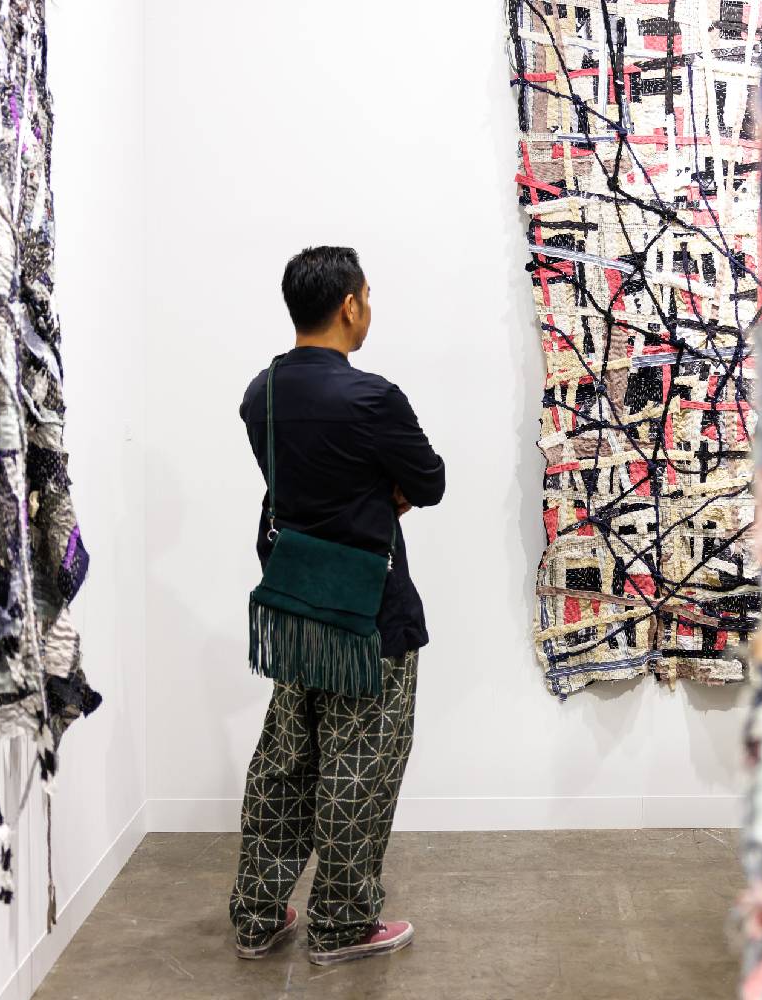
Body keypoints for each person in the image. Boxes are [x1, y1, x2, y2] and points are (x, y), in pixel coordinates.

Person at [229, 246, 445, 966]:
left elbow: (294, 483)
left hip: (296, 607)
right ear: (350, 305)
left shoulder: (260, 393)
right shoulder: (372, 398)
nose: (370, 308)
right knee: (360, 770)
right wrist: (382, 491)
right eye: (368, 296)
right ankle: (342, 925)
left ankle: (258, 916)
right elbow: (430, 480)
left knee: (285, 764)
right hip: (369, 617)